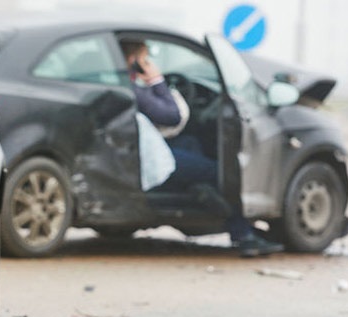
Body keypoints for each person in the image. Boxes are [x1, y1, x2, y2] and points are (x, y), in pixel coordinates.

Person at [120, 40, 283, 258]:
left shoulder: (123, 86)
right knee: (219, 172)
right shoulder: (133, 91)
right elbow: (171, 116)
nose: (148, 64)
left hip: (144, 149)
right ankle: (242, 233)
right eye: (145, 60)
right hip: (148, 157)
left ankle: (198, 191)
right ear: (133, 61)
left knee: (191, 144)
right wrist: (157, 81)